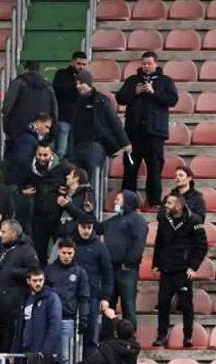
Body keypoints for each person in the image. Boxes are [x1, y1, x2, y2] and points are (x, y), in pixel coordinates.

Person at [116, 51, 178, 207]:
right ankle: (127, 203)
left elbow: (172, 100)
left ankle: (154, 202)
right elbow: (120, 98)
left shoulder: (165, 81)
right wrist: (135, 92)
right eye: (143, 63)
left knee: (155, 170)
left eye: (149, 63)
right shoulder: (132, 80)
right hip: (133, 133)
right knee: (130, 170)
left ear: (155, 64)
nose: (146, 66)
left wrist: (154, 92)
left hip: (155, 133)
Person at [152, 192, 208, 347]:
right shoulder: (163, 218)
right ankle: (162, 336)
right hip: (166, 269)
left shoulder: (194, 220)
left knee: (186, 305)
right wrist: (156, 262)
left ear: (178, 206)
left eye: (169, 203)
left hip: (183, 270)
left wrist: (193, 267)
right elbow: (159, 241)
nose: (166, 206)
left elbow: (202, 246)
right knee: (163, 303)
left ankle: (188, 336)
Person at [45, 240, 90, 364]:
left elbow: (84, 298)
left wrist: (84, 317)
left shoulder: (79, 273)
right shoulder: (49, 271)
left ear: (74, 253)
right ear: (58, 252)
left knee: (65, 358)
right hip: (48, 320)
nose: (66, 256)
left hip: (67, 319)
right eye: (64, 253)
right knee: (48, 355)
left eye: (69, 253)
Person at [70, 71, 130, 181]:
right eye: (76, 83)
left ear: (88, 83)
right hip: (77, 147)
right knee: (75, 181)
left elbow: (114, 121)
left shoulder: (101, 100)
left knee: (94, 181)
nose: (78, 86)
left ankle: (93, 198)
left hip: (95, 146)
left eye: (80, 83)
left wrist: (125, 142)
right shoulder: (76, 102)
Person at [0, 220, 40, 351]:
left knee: (12, 344)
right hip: (0, 305)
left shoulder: (26, 250)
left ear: (13, 233)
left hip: (14, 308)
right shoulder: (4, 250)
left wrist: (15, 272)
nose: (0, 234)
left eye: (3, 232)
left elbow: (35, 272)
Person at [13, 268, 62, 364]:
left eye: (40, 280)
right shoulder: (26, 299)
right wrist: (15, 350)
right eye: (35, 280)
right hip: (28, 352)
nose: (38, 283)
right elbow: (21, 328)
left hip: (42, 354)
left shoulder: (51, 297)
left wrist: (46, 352)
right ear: (28, 281)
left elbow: (55, 326)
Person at [102, 191, 147, 324]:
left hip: (126, 270)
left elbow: (138, 244)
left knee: (128, 306)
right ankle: (106, 338)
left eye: (118, 199)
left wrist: (128, 262)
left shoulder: (137, 220)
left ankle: (130, 339)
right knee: (108, 305)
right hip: (111, 269)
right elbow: (97, 227)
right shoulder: (113, 220)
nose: (115, 202)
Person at [72, 216, 114, 355]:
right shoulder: (70, 244)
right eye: (83, 227)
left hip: (92, 295)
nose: (86, 231)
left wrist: (106, 297)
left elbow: (108, 273)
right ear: (77, 226)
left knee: (91, 331)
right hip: (71, 295)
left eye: (89, 228)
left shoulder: (99, 246)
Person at [1, 61, 57, 140]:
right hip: (42, 131)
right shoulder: (48, 87)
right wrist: (52, 132)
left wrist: (7, 127)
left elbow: (8, 106)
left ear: (26, 69)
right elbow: (54, 111)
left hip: (18, 130)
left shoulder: (18, 82)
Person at [51, 51, 89, 156]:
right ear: (72, 62)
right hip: (64, 118)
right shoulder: (62, 74)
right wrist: (74, 86)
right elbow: (57, 89)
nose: (81, 67)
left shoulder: (86, 77)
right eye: (79, 64)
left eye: (84, 64)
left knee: (73, 153)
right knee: (60, 151)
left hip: (78, 121)